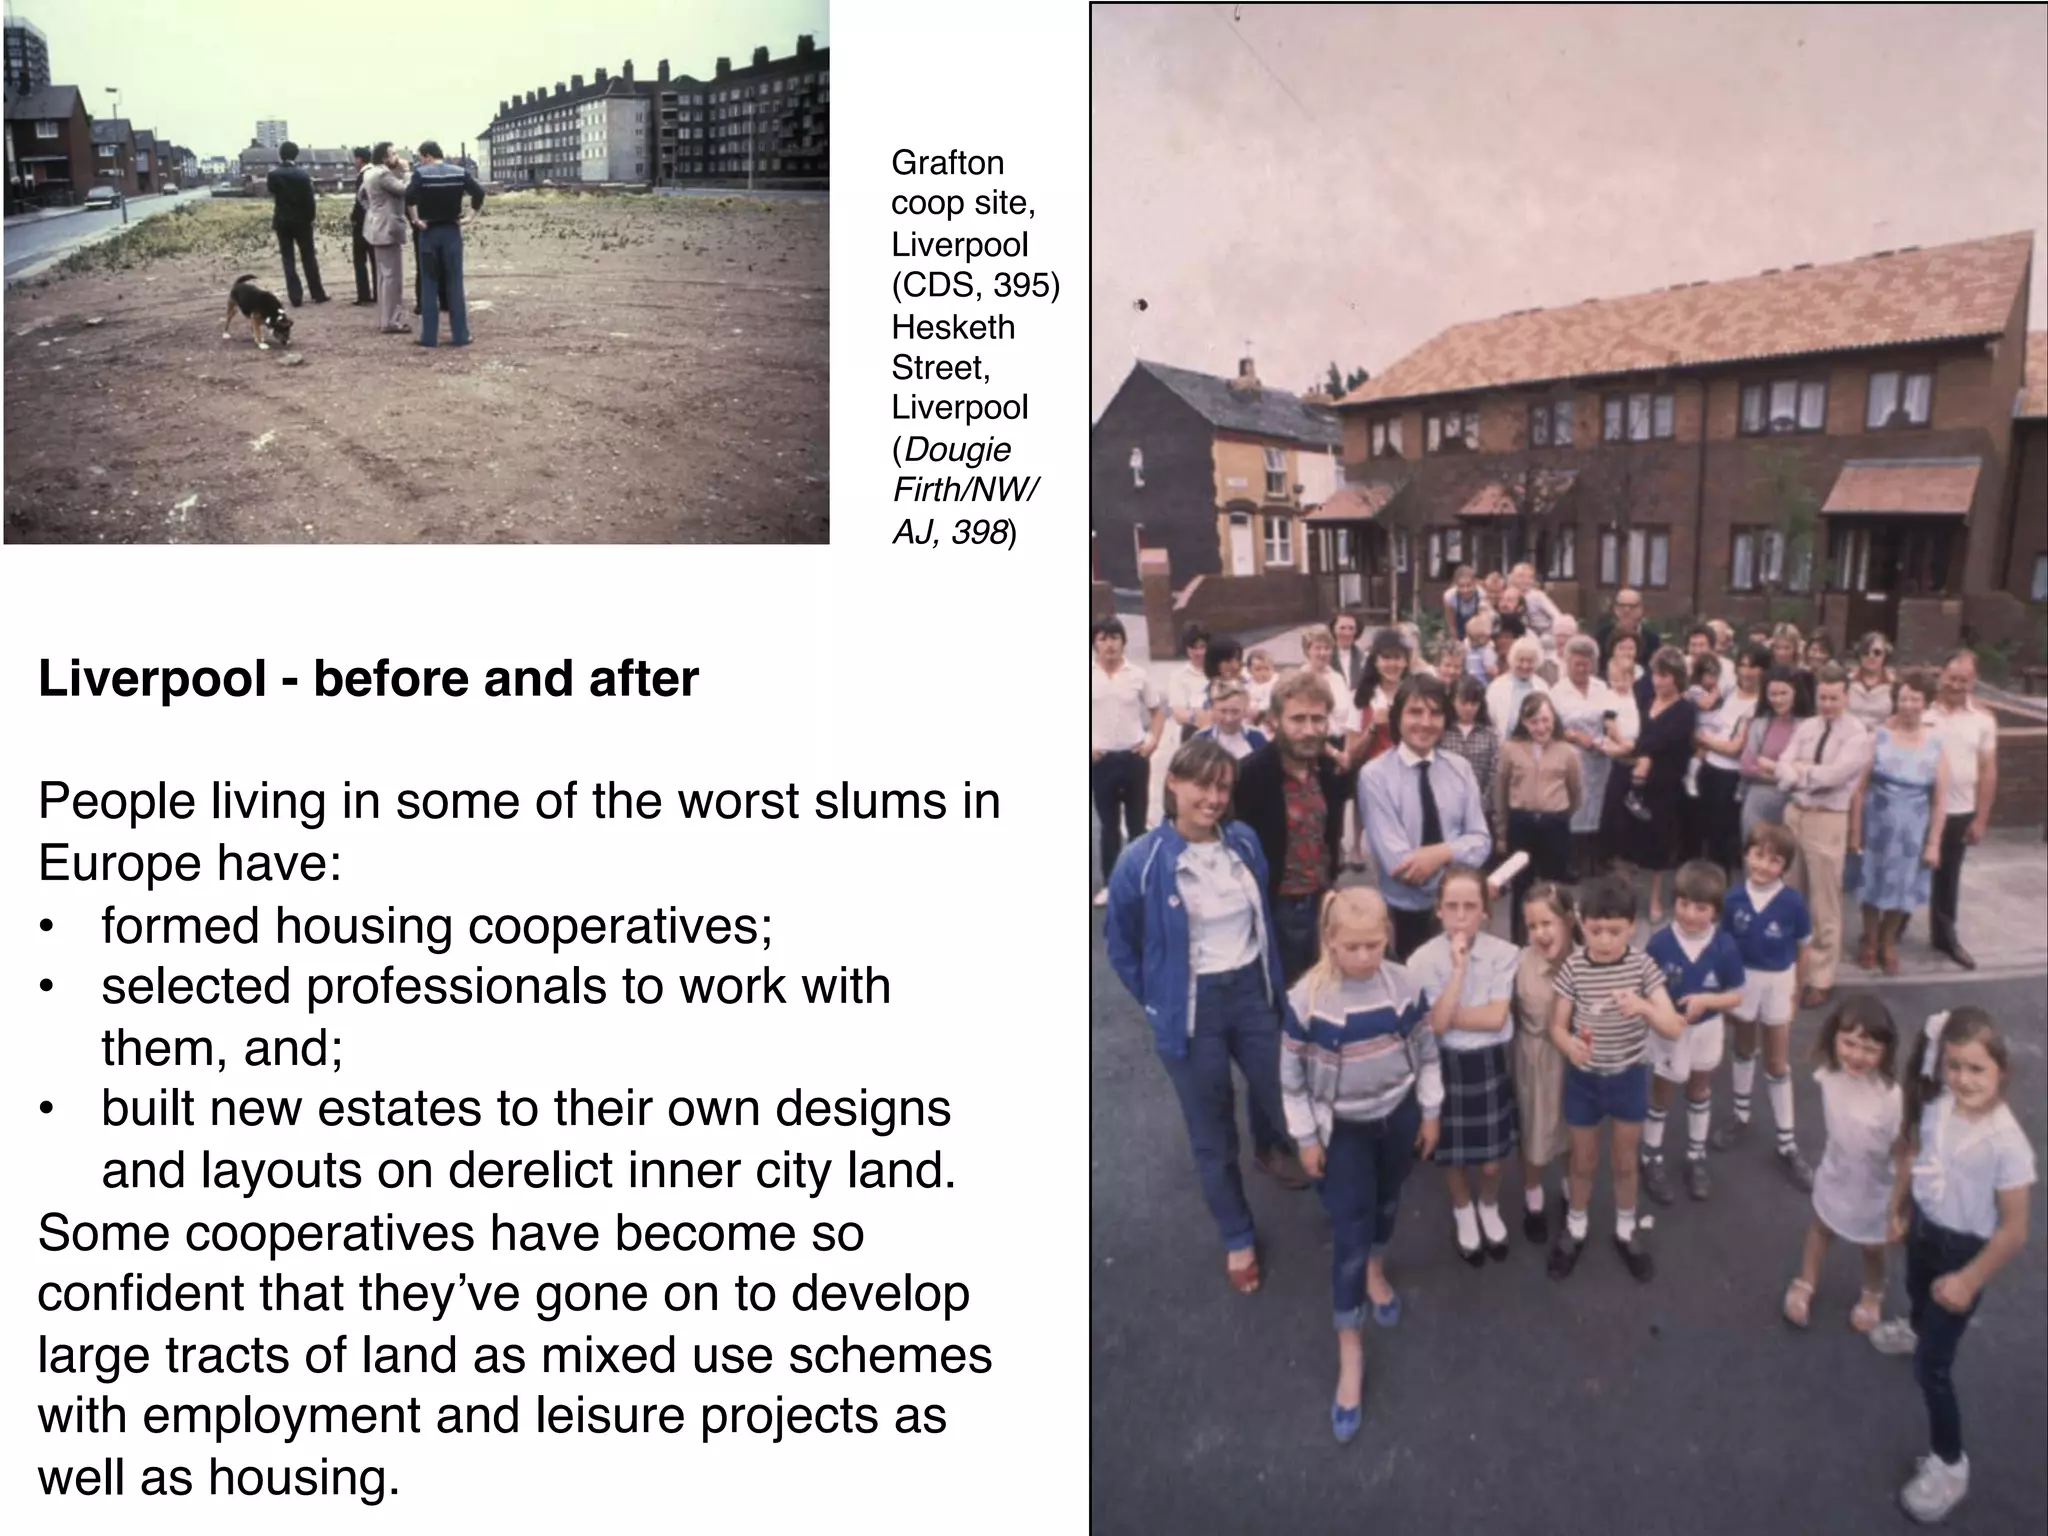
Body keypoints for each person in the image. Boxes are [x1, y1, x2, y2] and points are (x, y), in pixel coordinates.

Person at [1103, 737, 1309, 1296]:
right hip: (1191, 1009)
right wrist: (1158, 999)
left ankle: (1332, 1189)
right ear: (1173, 781)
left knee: (1293, 1099)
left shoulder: (1242, 841)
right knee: (1212, 1132)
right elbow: (1121, 945)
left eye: (1223, 786)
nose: (1213, 798)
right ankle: (1238, 1234)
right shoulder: (1139, 860)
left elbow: (1259, 913)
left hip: (1251, 993)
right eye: (1202, 784)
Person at [1280, 887, 1442, 1444]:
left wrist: (1430, 1111)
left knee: (1389, 1204)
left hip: (1396, 1120)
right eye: (1353, 946)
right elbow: (1292, 1079)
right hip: (1343, 1131)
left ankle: (1378, 1267)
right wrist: (1305, 1137)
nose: (1366, 957)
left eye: (1375, 944)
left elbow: (1425, 1050)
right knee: (1350, 1233)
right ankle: (1351, 1350)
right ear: (1330, 940)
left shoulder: (1402, 985)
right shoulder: (1307, 999)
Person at [1875, 1007, 2034, 1524]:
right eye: (1955, 1066)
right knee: (1915, 1291)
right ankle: (1917, 1325)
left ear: (2001, 1071)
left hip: (1964, 1254)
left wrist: (1968, 1280)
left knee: (1933, 1369)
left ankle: (1949, 1463)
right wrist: (1898, 1207)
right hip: (1925, 1229)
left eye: (1976, 1069)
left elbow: (2013, 1229)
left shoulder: (2007, 1145)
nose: (1963, 1079)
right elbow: (1916, 1154)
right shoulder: (1940, 1104)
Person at [1546, 875, 1685, 1281]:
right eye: (1595, 930)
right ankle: (1576, 1227)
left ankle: (1626, 1230)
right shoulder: (1573, 967)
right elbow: (1557, 1025)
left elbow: (1673, 1027)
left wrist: (1642, 1006)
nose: (1604, 940)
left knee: (1625, 1162)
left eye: (1615, 931)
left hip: (1627, 1078)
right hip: (1584, 1081)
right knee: (1583, 1161)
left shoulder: (1642, 966)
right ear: (1580, 923)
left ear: (1633, 927)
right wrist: (1569, 1045)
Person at [1409, 867, 1522, 1266]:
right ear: (1438, 911)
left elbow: (1495, 1019)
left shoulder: (1505, 953)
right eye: (1451, 906)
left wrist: (1448, 1011)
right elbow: (1436, 1026)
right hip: (1445, 1063)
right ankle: (1463, 1209)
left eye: (1470, 907)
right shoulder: (1422, 959)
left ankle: (1488, 1204)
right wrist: (1457, 970)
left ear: (1484, 913)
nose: (1460, 916)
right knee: (1453, 1154)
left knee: (1492, 1160)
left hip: (1487, 1062)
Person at [1784, 996, 1901, 1333]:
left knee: (1872, 1245)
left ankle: (1873, 1291)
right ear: (1834, 1037)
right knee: (1821, 1226)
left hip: (1876, 1182)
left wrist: (1900, 1202)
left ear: (1886, 1051)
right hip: (1837, 1168)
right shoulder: (1830, 1074)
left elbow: (1902, 1150)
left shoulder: (1890, 1096)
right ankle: (1806, 1280)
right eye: (1848, 1043)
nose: (1856, 1056)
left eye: (1869, 1048)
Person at [1358, 674, 1493, 960]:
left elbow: (1481, 841)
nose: (1425, 722)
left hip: (1459, 911)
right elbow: (1401, 865)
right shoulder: (1375, 775)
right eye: (1415, 712)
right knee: (1415, 990)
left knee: (1459, 985)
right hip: (1406, 913)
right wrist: (1459, 863)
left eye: (1435, 713)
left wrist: (1440, 853)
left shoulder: (1460, 769)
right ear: (1398, 718)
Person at [1712, 821, 1814, 1188]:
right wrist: (1723, 988)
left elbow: (1804, 947)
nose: (1764, 865)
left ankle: (1786, 1141)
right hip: (1743, 982)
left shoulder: (1793, 902)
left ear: (1784, 867)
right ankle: (1741, 1116)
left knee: (1776, 1059)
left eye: (1774, 860)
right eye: (1758, 855)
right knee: (1742, 1046)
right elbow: (1722, 946)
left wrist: (1797, 988)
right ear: (1746, 855)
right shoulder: (1733, 898)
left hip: (1778, 981)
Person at [1640, 860, 1746, 1204]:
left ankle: (1695, 1155)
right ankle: (1650, 1155)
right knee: (1662, 1092)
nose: (1689, 914)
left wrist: (1708, 1000)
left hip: (1707, 1030)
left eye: (1700, 907)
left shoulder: (1725, 946)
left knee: (1700, 1089)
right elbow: (1645, 988)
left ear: (1715, 912)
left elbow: (1736, 996)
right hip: (1669, 1032)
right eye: (1683, 904)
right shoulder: (1659, 943)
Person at [1235, 670, 1343, 983]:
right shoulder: (1249, 776)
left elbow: (1330, 838)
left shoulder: (1329, 771)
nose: (1309, 730)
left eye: (1317, 719)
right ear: (1274, 721)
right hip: (1276, 907)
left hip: (1323, 902)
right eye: (1298, 719)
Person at [1777, 665, 1873, 1008]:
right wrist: (1797, 771)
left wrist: (1801, 772)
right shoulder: (1806, 726)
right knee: (1791, 894)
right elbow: (1781, 764)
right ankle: (1790, 966)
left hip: (1827, 819)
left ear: (1846, 696)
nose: (1828, 704)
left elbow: (1836, 775)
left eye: (1834, 698)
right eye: (1823, 697)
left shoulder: (1857, 734)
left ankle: (1820, 977)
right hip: (1796, 815)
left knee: (1824, 903)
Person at [1851, 669, 1947, 975]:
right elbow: (1859, 788)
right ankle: (1870, 939)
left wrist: (1933, 842)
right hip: (1876, 826)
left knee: (1902, 890)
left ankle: (1887, 942)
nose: (1908, 704)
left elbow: (1941, 799)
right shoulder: (1878, 736)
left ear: (1925, 703)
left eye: (1915, 698)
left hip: (1912, 833)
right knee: (1871, 885)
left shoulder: (1935, 744)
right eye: (1903, 697)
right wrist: (1855, 832)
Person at [1601, 648, 1697, 924]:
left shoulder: (1684, 710)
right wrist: (1627, 745)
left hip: (1663, 783)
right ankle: (1624, 895)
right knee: (1621, 835)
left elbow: (1666, 741)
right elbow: (1620, 719)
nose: (1658, 680)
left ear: (1677, 677)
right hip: (1625, 773)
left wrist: (1637, 750)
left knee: (1657, 842)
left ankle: (1655, 897)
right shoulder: (1642, 697)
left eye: (1664, 675)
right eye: (1655, 673)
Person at [1925, 650, 1999, 971]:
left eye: (1964, 680)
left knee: (1948, 876)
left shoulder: (1983, 720)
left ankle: (1945, 937)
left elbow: (1988, 771)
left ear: (1973, 682)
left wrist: (1981, 819)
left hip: (1959, 811)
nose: (1956, 685)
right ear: (1941, 675)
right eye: (1952, 678)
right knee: (1906, 871)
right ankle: (1889, 933)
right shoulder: (1921, 711)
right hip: (1919, 810)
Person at [1512, 882, 1576, 1242]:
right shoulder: (1519, 964)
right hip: (1535, 1058)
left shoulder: (1586, 959)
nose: (1540, 933)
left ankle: (1570, 1191)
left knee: (1572, 1132)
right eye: (1533, 926)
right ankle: (1533, 1198)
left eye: (1548, 923)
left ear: (1568, 920)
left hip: (1574, 1059)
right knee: (1535, 1131)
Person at [1495, 692, 1580, 943]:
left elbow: (1575, 792)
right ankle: (1519, 942)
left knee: (1555, 886)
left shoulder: (1567, 751)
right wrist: (1502, 828)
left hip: (1555, 824)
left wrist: (1559, 815)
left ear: (1553, 718)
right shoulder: (1510, 749)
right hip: (1521, 824)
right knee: (1521, 886)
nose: (1540, 727)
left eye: (1545, 720)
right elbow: (1500, 789)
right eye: (1533, 721)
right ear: (1523, 721)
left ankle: (1559, 939)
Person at [1090, 618, 1163, 906]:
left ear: (1123, 641)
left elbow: (1157, 711)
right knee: (1108, 826)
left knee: (1136, 824)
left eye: (1115, 638)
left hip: (1134, 758)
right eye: (1103, 638)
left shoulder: (1138, 675)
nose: (1109, 644)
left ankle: (1140, 881)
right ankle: (1110, 884)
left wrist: (1152, 741)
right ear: (1094, 643)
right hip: (1102, 761)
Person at [1551, 634, 1634, 877]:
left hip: (1601, 757)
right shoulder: (1558, 691)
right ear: (1567, 663)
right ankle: (1572, 862)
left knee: (1599, 806)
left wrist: (1613, 739)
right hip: (1572, 757)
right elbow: (1554, 728)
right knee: (1575, 806)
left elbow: (1610, 716)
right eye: (1576, 663)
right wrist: (1576, 737)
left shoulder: (1600, 687)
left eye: (1586, 663)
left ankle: (1596, 860)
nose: (1581, 668)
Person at [404, 139, 485, 348]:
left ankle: (429, 337)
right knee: (454, 284)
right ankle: (460, 335)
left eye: (421, 158)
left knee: (429, 285)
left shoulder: (421, 174)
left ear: (427, 156)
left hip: (429, 233)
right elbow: (479, 193)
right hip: (451, 231)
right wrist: (470, 216)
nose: (420, 162)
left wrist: (415, 220)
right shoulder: (459, 172)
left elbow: (409, 196)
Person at [1694, 644, 1764, 873]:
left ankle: (1723, 886)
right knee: (1707, 833)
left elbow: (1736, 748)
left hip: (1730, 775)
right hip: (1709, 768)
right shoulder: (1730, 692)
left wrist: (1705, 741)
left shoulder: (1759, 704)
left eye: (1752, 666)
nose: (1746, 671)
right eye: (1742, 664)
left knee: (1725, 836)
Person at [1739, 667, 1810, 838]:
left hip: (1793, 803)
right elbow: (1747, 766)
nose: (1777, 699)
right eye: (1773, 694)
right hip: (1758, 801)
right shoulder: (1760, 723)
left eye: (1783, 693)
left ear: (1795, 693)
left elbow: (1805, 771)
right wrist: (1784, 774)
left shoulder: (1808, 726)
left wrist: (1769, 766)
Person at [264, 141, 329, 308]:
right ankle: (317, 293)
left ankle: (295, 297)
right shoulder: (303, 175)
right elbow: (310, 200)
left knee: (288, 259)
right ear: (296, 155)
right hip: (302, 222)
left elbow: (272, 192)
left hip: (282, 221)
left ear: (281, 155)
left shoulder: (273, 175)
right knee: (308, 257)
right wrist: (310, 218)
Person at [360, 144, 413, 337]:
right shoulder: (383, 175)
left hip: (375, 228)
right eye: (393, 154)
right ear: (384, 158)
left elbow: (361, 196)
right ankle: (391, 321)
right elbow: (407, 190)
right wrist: (406, 170)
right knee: (392, 278)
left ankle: (386, 319)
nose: (397, 157)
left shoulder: (370, 172)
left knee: (383, 277)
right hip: (388, 230)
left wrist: (374, 212)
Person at [1438, 675, 1499, 840]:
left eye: (1474, 704)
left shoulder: (1489, 734)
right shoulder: (1441, 732)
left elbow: (1494, 773)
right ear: (1452, 702)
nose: (1469, 708)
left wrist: (1481, 805)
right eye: (1464, 703)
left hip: (1480, 809)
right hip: (1445, 808)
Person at [1484, 635, 1549, 747]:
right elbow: (1489, 721)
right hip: (1505, 747)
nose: (1525, 665)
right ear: (1512, 659)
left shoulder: (1543, 687)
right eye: (1521, 660)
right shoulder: (1497, 686)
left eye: (1530, 661)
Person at [1192, 679, 1267, 762]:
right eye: (1223, 711)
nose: (1229, 718)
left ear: (1245, 710)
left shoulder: (1256, 737)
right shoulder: (1200, 739)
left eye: (1235, 711)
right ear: (1212, 709)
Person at [1595, 588, 1661, 670]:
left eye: (1632, 606)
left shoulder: (1652, 639)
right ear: (1615, 609)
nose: (1626, 610)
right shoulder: (1602, 635)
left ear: (1640, 609)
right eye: (1622, 606)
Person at [1164, 624, 1211, 737]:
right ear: (1186, 649)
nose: (1198, 652)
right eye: (1194, 648)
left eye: (1202, 647)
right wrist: (1201, 720)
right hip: (1191, 733)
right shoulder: (1178, 677)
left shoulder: (1219, 671)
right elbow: (1179, 714)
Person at [1846, 633, 1896, 728]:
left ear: (1885, 655)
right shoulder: (1847, 681)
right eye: (1866, 652)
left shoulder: (1894, 684)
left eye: (1877, 652)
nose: (1871, 656)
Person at [349, 147, 374, 305]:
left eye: (355, 159)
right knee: (375, 259)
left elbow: (360, 201)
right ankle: (379, 292)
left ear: (360, 159)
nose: (353, 162)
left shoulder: (362, 176)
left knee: (359, 259)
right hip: (376, 221)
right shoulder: (375, 173)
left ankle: (363, 294)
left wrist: (354, 217)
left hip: (363, 223)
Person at [1330, 611, 1367, 699]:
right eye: (1342, 628)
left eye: (1351, 628)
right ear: (1333, 629)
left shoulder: (1364, 657)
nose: (1347, 633)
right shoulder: (1325, 656)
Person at [1461, 611, 1497, 682]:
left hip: (1467, 682)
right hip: (1482, 684)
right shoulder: (1487, 651)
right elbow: (1490, 670)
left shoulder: (1466, 648)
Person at [1245, 648, 1277, 725]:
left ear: (1273, 669)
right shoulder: (1248, 684)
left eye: (1267, 669)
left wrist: (1257, 707)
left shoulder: (1274, 683)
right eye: (1258, 669)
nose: (1263, 673)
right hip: (1251, 714)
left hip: (1268, 713)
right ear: (1250, 671)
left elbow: (1270, 701)